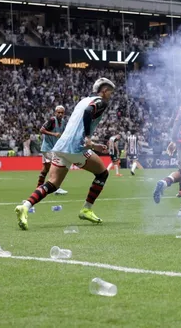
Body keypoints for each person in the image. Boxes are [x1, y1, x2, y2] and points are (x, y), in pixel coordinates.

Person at [14, 78, 116, 230]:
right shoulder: (101, 102)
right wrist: (89, 139)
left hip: (61, 146)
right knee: (102, 173)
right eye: (110, 92)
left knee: (52, 184)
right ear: (104, 90)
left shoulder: (83, 101)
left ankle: (25, 206)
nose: (111, 96)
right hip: (76, 148)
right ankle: (86, 209)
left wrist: (93, 145)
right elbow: (89, 112)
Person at [38, 106, 68, 195]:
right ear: (55, 113)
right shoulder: (51, 120)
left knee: (45, 169)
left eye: (62, 113)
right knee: (57, 166)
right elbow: (42, 130)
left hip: (54, 149)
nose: (60, 114)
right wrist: (54, 134)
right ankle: (56, 187)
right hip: (48, 148)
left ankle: (39, 187)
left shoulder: (63, 122)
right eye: (58, 112)